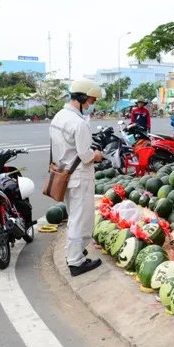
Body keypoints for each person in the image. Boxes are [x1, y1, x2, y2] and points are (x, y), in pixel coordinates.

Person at [50, 79, 105, 277]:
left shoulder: (58, 117)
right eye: (91, 100)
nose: (92, 105)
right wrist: (97, 155)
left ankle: (73, 252)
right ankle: (75, 262)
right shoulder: (78, 123)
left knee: (75, 215)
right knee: (79, 219)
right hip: (79, 176)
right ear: (82, 98)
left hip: (64, 173)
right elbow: (85, 155)